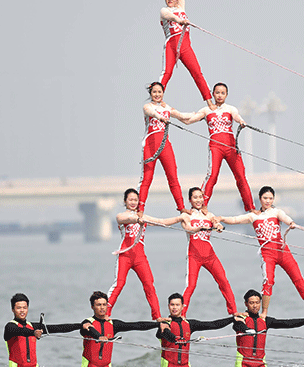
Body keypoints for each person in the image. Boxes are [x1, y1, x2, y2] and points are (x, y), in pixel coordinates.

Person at [219, 186, 304, 317]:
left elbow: (285, 217)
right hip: (267, 254)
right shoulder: (253, 216)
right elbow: (234, 220)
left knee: (298, 279)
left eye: (270, 198)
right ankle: (264, 312)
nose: (268, 201)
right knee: (268, 281)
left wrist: (291, 223)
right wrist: (221, 218)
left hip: (283, 252)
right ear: (260, 199)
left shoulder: (276, 212)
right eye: (265, 198)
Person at [107, 188, 181, 321]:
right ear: (125, 201)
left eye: (136, 200)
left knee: (149, 284)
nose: (133, 202)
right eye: (130, 200)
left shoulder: (143, 217)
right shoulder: (122, 216)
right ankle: (105, 313)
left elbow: (162, 222)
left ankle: (157, 316)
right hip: (125, 255)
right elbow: (125, 218)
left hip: (140, 257)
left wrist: (180, 218)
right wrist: (137, 219)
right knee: (119, 284)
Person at [183, 82, 255, 212]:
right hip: (215, 146)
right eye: (217, 93)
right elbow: (189, 120)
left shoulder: (230, 109)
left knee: (241, 176)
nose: (220, 95)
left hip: (231, 146)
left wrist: (242, 121)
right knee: (212, 175)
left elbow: (237, 117)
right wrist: (171, 115)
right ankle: (203, 205)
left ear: (226, 95)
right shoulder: (206, 110)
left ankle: (250, 207)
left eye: (223, 93)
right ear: (213, 94)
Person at [159, 0, 215, 109]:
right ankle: (158, 99)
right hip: (171, 45)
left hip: (185, 46)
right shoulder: (164, 11)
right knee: (167, 73)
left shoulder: (181, 7)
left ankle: (209, 101)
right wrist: (180, 20)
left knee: (197, 72)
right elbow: (170, 17)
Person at [179, 187, 237, 316]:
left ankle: (234, 312)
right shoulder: (186, 215)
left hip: (210, 255)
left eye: (200, 197)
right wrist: (200, 227)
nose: (198, 200)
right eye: (195, 197)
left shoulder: (209, 215)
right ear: (190, 200)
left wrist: (219, 226)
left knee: (223, 281)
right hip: (194, 256)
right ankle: (181, 314)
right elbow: (188, 228)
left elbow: (216, 224)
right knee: (191, 286)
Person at [139, 81, 194, 215]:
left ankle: (181, 207)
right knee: (147, 178)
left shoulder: (167, 108)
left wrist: (199, 115)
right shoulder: (147, 106)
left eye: (159, 92)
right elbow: (151, 112)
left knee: (173, 177)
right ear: (151, 94)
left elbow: (182, 117)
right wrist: (160, 117)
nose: (157, 94)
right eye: (154, 92)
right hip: (150, 146)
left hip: (165, 145)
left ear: (163, 93)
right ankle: (140, 209)